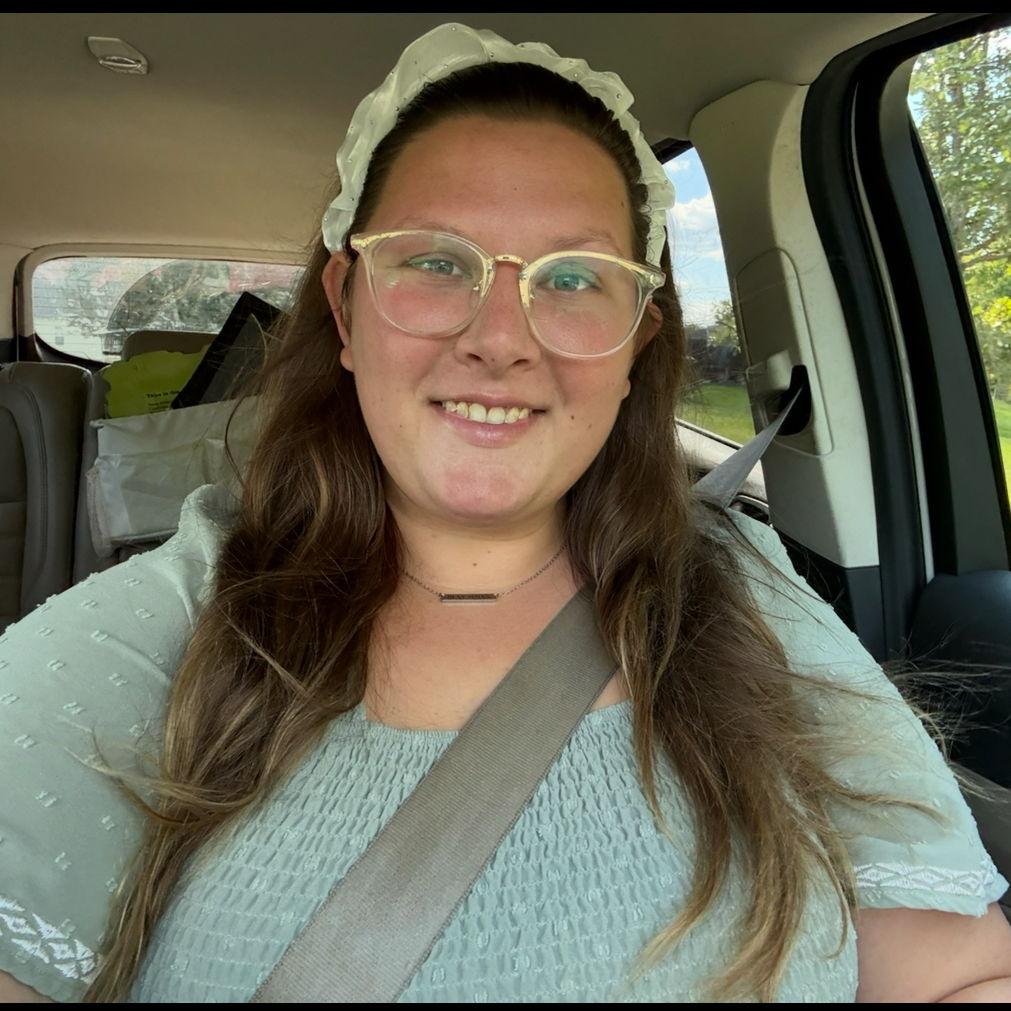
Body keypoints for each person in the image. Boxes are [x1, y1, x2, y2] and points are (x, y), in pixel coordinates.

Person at [1, 22, 1008, 1004]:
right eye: (437, 262)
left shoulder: (744, 590)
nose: (501, 339)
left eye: (573, 278)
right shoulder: (152, 636)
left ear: (635, 342)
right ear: (346, 309)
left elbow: (960, 975)